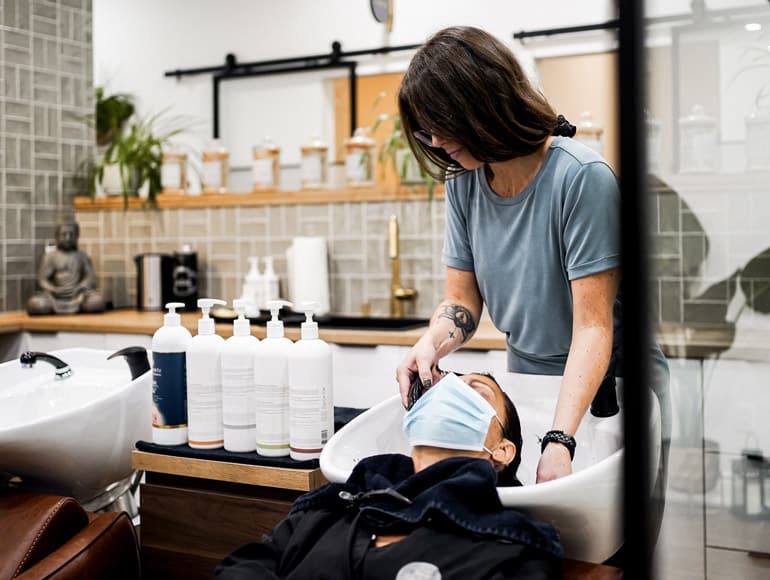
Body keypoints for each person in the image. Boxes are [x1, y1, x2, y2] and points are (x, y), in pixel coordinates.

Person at [394, 26, 671, 489]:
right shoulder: (464, 182)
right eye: (427, 130)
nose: (436, 141)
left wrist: (560, 439)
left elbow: (593, 327)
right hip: (529, 381)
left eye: (442, 124)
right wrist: (431, 345)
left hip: (613, 388)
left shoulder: (582, 177)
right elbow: (461, 300)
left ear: (483, 104)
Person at [215, 372, 563, 579]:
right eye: (445, 387)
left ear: (502, 451)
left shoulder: (507, 552)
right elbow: (246, 565)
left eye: (476, 391)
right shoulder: (330, 509)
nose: (452, 391)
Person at [27, 221, 105, 315]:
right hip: (55, 296)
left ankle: (80, 305)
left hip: (78, 296)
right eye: (64, 235)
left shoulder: (82, 256)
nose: (68, 238)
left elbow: (90, 277)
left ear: (77, 237)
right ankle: (52, 306)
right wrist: (53, 289)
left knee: (97, 301)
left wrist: (80, 288)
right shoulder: (50, 257)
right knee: (36, 304)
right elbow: (42, 279)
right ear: (57, 237)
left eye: (71, 235)